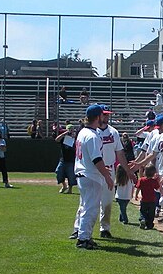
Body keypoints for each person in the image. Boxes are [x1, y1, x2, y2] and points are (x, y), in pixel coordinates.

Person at [72, 104, 115, 249]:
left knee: (86, 206)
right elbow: (96, 159)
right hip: (90, 175)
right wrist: (107, 177)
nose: (104, 117)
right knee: (91, 208)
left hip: (83, 173)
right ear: (98, 117)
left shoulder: (83, 132)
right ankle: (83, 239)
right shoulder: (91, 135)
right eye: (102, 115)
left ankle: (83, 235)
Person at [98, 105, 135, 238]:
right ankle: (79, 229)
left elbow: (120, 153)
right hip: (94, 170)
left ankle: (104, 229)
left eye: (108, 114)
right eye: (104, 114)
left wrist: (128, 171)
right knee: (88, 202)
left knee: (107, 202)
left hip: (109, 169)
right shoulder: (92, 131)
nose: (106, 117)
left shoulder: (113, 132)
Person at [54, 124, 78, 194]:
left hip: (71, 160)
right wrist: (64, 134)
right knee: (58, 172)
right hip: (63, 160)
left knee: (71, 176)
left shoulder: (75, 139)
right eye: (69, 130)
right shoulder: (64, 139)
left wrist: (74, 137)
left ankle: (70, 189)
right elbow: (57, 140)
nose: (70, 131)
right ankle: (64, 186)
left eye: (72, 130)